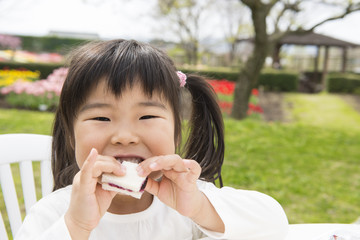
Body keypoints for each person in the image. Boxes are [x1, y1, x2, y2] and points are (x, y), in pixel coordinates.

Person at [15, 39, 288, 240]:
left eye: (146, 117)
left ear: (175, 132)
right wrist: (75, 226)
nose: (124, 137)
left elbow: (274, 225)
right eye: (101, 118)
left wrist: (199, 208)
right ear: (71, 135)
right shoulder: (57, 212)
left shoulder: (187, 200)